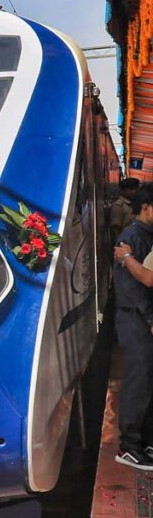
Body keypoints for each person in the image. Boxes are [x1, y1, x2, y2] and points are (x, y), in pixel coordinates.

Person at [109, 184, 153, 470]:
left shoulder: (146, 235)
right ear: (146, 207)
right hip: (135, 318)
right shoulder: (132, 236)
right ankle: (129, 447)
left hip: (144, 317)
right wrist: (149, 318)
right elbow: (132, 289)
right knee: (139, 379)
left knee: (147, 378)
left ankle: (145, 440)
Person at [113, 178, 141, 242]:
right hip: (126, 241)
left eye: (136, 189)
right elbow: (115, 228)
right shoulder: (119, 206)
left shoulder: (134, 204)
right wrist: (120, 242)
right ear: (124, 190)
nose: (134, 191)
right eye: (131, 189)